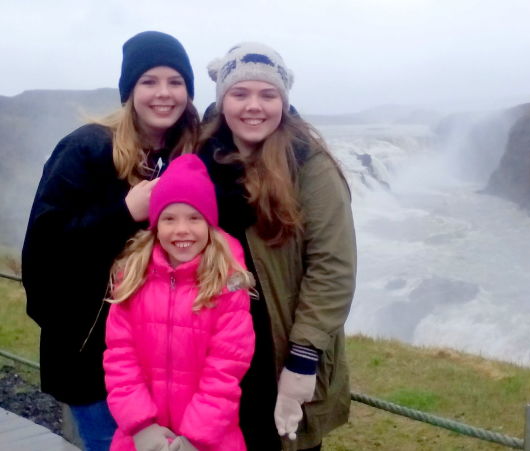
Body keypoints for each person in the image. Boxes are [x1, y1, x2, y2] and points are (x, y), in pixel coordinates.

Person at [21, 30, 200, 451]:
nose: (164, 94)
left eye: (175, 83)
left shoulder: (184, 155)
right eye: (149, 82)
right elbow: (44, 250)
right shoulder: (86, 149)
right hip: (92, 360)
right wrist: (124, 213)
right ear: (129, 91)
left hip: (161, 360)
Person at [199, 42, 357, 451]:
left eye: (268, 95)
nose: (255, 106)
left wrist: (302, 362)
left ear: (284, 101)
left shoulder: (310, 165)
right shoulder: (202, 157)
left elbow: (333, 267)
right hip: (216, 360)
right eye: (240, 93)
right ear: (222, 100)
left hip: (280, 355)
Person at [103, 154, 255, 451]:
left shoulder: (226, 282)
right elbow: (120, 359)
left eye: (194, 218)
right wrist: (140, 425)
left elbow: (225, 370)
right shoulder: (132, 277)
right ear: (155, 225)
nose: (182, 230)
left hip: (209, 440)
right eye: (169, 218)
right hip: (142, 439)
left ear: (210, 224)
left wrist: (195, 438)